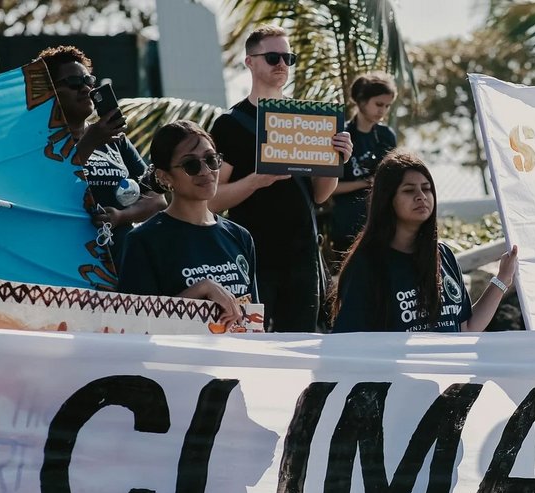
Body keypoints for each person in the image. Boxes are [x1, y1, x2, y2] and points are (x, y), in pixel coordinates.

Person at [209, 24, 353, 332]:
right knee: (250, 344)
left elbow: (320, 195)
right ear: (250, 62)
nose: (282, 65)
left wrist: (336, 159)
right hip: (252, 258)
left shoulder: (309, 120)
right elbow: (211, 200)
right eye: (273, 57)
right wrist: (256, 180)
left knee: (301, 348)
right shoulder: (229, 124)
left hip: (303, 257)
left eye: (289, 58)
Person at [331, 151, 518, 333]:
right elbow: (351, 342)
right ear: (387, 199)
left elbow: (466, 328)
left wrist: (503, 278)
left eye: (426, 188)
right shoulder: (367, 265)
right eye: (409, 190)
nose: (421, 196)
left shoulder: (444, 255)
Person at [37, 45, 167, 268]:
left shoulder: (115, 140)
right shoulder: (38, 142)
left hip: (122, 262)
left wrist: (121, 216)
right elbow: (45, 191)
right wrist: (89, 142)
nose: (86, 89)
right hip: (64, 264)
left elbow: (157, 200)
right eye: (74, 82)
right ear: (50, 91)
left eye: (88, 81)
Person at [118, 121, 257, 326]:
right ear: (164, 177)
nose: (205, 171)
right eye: (191, 165)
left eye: (211, 159)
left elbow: (253, 320)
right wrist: (201, 289)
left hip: (235, 347)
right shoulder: (144, 240)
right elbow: (134, 325)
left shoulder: (240, 236)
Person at [324, 72, 399, 260]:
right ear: (361, 101)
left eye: (387, 106)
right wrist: (365, 183)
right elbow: (329, 188)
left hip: (380, 223)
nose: (383, 111)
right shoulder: (340, 135)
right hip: (346, 225)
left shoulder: (386, 136)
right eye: (379, 104)